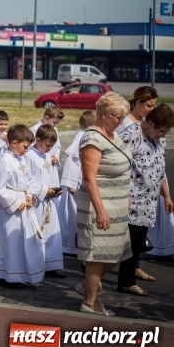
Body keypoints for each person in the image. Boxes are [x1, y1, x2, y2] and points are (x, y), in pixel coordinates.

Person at [76, 92, 132, 316]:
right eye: (118, 117)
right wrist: (100, 211)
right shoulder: (92, 139)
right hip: (99, 205)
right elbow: (89, 178)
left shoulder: (111, 134)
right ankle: (90, 302)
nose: (121, 121)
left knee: (118, 252)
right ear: (104, 114)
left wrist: (125, 195)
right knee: (98, 254)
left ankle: (86, 286)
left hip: (117, 204)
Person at [116, 104, 173, 296]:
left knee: (138, 244)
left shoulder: (160, 141)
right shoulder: (130, 135)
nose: (162, 135)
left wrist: (167, 195)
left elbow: (160, 169)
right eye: (161, 131)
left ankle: (127, 281)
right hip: (131, 201)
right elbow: (118, 167)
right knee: (125, 244)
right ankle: (96, 275)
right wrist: (123, 195)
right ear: (150, 123)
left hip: (148, 203)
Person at [0, 125, 46, 288]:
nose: (26, 150)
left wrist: (28, 196)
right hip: (10, 211)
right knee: (10, 241)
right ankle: (8, 276)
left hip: (24, 205)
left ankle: (19, 273)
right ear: (14, 143)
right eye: (25, 147)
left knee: (22, 241)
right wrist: (15, 203)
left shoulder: (20, 158)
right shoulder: (5, 161)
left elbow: (25, 181)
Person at [24, 124, 65, 279]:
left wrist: (55, 190)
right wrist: (44, 191)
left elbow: (52, 175)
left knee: (51, 233)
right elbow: (26, 181)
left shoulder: (47, 156)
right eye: (48, 145)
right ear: (38, 139)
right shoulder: (29, 156)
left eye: (52, 146)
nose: (50, 148)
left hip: (49, 202)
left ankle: (51, 265)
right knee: (37, 235)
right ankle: (36, 266)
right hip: (35, 202)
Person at [59, 111, 96, 256]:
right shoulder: (82, 136)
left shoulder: (84, 134)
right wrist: (71, 183)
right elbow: (72, 160)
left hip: (79, 181)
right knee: (73, 213)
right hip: (75, 184)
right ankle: (70, 245)